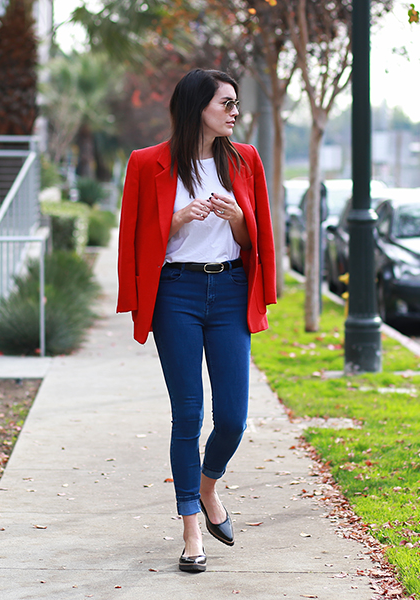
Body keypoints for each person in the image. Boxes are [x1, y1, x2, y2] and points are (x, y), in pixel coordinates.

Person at [116, 68, 277, 573]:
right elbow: (132, 241)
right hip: (176, 293)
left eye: (235, 103)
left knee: (232, 418)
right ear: (197, 108)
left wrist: (237, 221)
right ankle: (190, 528)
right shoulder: (148, 164)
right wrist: (176, 221)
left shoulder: (245, 160)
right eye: (225, 103)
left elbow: (260, 241)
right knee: (188, 415)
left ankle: (208, 487)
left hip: (229, 290)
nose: (234, 112)